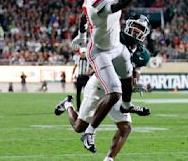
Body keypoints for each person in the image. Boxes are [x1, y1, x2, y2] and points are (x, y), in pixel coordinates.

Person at [70, 0, 158, 152]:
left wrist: (81, 34)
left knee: (126, 78)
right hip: (100, 51)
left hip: (115, 46)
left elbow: (83, 16)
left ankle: (127, 106)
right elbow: (120, 4)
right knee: (115, 90)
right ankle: (89, 132)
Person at [55, 15, 151, 159]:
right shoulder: (114, 38)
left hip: (116, 91)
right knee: (79, 127)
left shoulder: (142, 55)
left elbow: (135, 73)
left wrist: (135, 84)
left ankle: (109, 159)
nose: (136, 31)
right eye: (135, 27)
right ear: (128, 25)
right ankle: (68, 104)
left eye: (140, 29)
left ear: (145, 33)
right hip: (99, 85)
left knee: (125, 127)